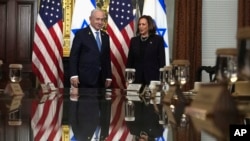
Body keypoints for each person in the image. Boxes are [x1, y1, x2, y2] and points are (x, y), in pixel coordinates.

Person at [69, 9, 112, 88]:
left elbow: (107, 58)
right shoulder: (81, 34)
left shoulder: (105, 36)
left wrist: (108, 76)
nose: (100, 22)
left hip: (102, 79)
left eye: (102, 20)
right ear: (90, 19)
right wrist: (73, 75)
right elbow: (74, 56)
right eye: (97, 19)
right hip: (85, 79)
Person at [126, 15, 166, 86]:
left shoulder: (158, 40)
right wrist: (127, 78)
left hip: (153, 78)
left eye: (143, 24)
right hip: (136, 79)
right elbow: (130, 61)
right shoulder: (134, 41)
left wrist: (162, 79)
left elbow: (162, 61)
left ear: (149, 26)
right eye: (139, 24)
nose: (141, 26)